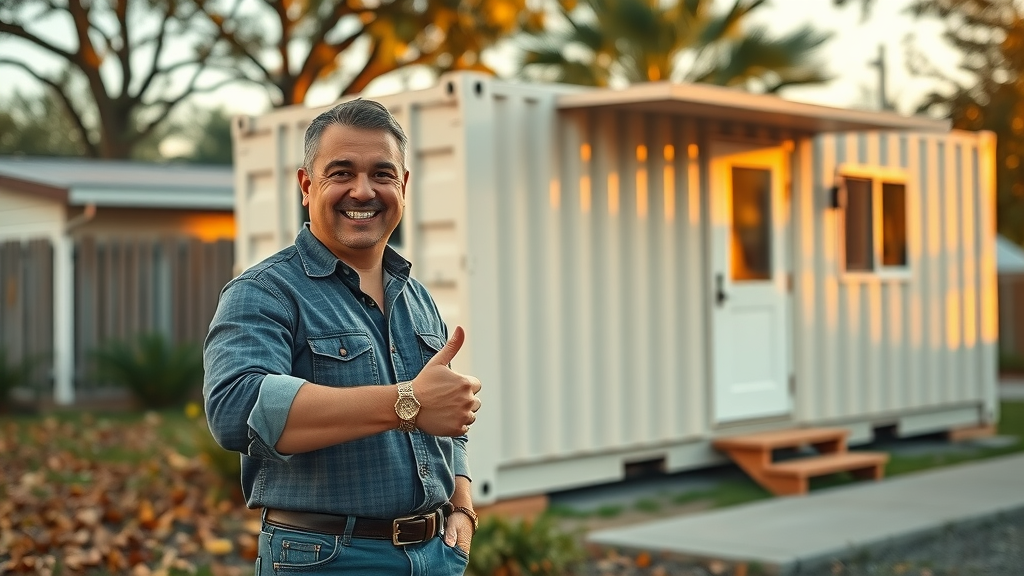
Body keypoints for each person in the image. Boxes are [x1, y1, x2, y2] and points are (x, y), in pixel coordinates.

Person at [203, 98, 482, 575]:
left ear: (403, 186)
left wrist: (462, 504)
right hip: (327, 558)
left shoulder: (416, 296)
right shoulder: (264, 292)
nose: (363, 190)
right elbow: (235, 409)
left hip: (437, 555)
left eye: (382, 174)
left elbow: (444, 414)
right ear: (306, 186)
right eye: (341, 173)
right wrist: (407, 403)